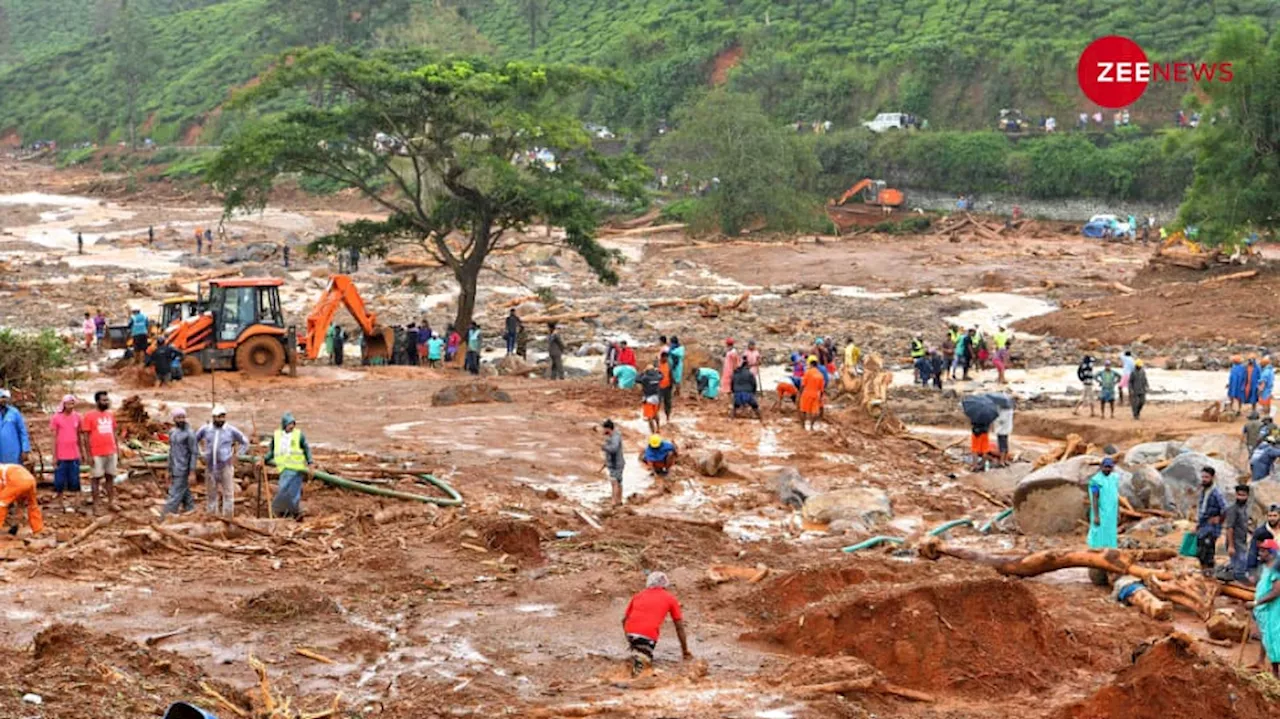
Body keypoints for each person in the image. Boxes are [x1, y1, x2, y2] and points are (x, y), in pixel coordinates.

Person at [622, 571, 691, 675]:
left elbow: (624, 620)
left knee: (640, 657)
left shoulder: (638, 596)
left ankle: (635, 662)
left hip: (630, 633)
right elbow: (679, 627)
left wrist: (630, 639)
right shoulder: (670, 599)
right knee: (641, 670)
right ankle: (635, 676)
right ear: (665, 585)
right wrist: (685, 651)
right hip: (648, 636)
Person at [195, 406, 250, 517]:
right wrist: (200, 454)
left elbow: (245, 442)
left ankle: (228, 518)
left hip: (225, 465)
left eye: (222, 417)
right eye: (217, 417)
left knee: (228, 493)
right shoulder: (206, 429)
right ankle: (212, 516)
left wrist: (238, 455)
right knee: (211, 494)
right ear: (213, 417)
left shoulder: (231, 430)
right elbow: (194, 440)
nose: (220, 420)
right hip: (210, 466)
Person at [263, 412, 314, 518]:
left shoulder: (298, 435)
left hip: (296, 469)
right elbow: (272, 451)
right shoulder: (277, 435)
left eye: (293, 424)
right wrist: (264, 460)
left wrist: (310, 463)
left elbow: (306, 449)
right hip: (284, 469)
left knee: (294, 493)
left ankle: (293, 513)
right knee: (283, 490)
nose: (291, 426)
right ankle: (282, 512)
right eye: (289, 424)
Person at [79, 391, 119, 514]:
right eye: (103, 400)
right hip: (96, 452)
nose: (106, 402)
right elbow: (85, 437)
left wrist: (118, 449)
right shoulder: (89, 416)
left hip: (111, 451)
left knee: (110, 477)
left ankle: (111, 501)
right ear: (97, 402)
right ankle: (96, 505)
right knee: (95, 478)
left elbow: (114, 433)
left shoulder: (110, 415)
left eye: (107, 400)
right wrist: (88, 454)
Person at [1250, 539, 1280, 677]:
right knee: (1265, 635)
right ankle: (1261, 662)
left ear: (1272, 554)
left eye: (1263, 551)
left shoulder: (1277, 570)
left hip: (1272, 610)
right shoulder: (1266, 567)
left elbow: (1276, 592)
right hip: (1264, 610)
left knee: (1274, 639)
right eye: (1260, 550)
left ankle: (1275, 673)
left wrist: (1257, 603)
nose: (1259, 553)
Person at [161, 408, 198, 518]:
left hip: (184, 469)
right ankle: (191, 511)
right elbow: (171, 452)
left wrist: (192, 472)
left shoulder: (190, 434)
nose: (181, 420)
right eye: (178, 418)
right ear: (174, 419)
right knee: (185, 492)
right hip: (175, 467)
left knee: (174, 494)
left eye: (182, 417)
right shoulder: (172, 432)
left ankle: (165, 517)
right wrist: (169, 469)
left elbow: (194, 453)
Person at [48, 395, 82, 505]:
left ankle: (76, 503)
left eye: (72, 403)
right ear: (63, 404)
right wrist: (54, 455)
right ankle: (60, 504)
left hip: (74, 454)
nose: (70, 406)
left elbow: (79, 436)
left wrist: (81, 452)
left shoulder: (77, 417)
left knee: (75, 479)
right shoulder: (56, 418)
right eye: (68, 403)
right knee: (59, 481)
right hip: (61, 455)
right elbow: (53, 438)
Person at [1196, 466, 1226, 576]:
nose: (1204, 479)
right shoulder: (1204, 491)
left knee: (1207, 553)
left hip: (1211, 528)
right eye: (1203, 477)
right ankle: (1205, 574)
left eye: (1206, 477)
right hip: (1203, 526)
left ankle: (1209, 576)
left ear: (1212, 477)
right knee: (1200, 552)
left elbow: (1225, 508)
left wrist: (1219, 519)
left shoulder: (1216, 492)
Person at [0, 464, 43, 535]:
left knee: (1, 503)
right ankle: (38, 529)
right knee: (32, 505)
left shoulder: (2, 472)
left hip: (18, 481)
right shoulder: (7, 467)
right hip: (31, 481)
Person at [1087, 458, 1120, 550]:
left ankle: (1110, 550)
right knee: (1099, 531)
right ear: (1101, 467)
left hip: (1111, 512)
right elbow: (1095, 499)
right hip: (1100, 511)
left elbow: (1116, 496)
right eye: (1106, 467)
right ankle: (1096, 550)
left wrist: (1118, 512)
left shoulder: (1114, 478)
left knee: (1110, 531)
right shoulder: (1096, 481)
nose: (1108, 469)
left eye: (1110, 467)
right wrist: (1096, 516)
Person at [1225, 484, 1253, 581]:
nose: (1240, 497)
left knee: (1239, 565)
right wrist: (1231, 546)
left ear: (1247, 496)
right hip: (1235, 542)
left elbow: (1243, 524)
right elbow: (1229, 528)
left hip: (1242, 540)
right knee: (1240, 565)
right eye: (1239, 495)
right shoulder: (1233, 510)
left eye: (1243, 495)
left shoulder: (1245, 508)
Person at [1248, 506, 1280, 582]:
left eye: (1275, 516)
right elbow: (1253, 552)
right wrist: (1251, 572)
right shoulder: (1260, 532)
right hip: (1264, 565)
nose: (1272, 518)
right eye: (1270, 516)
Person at [0, 389, 30, 466]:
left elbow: (22, 431)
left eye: (5, 398)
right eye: (1, 397)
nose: (3, 400)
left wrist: (25, 449)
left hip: (13, 450)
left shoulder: (14, 412)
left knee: (14, 473)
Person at [600, 420, 625, 508]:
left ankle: (614, 503)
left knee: (614, 482)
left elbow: (613, 449)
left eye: (603, 429)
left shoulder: (615, 437)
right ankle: (619, 501)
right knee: (618, 482)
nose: (602, 430)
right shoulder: (612, 436)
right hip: (615, 463)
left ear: (608, 428)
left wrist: (604, 447)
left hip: (616, 463)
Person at [799, 356, 824, 432]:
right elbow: (822, 389)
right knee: (814, 412)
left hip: (806, 393)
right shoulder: (820, 375)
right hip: (816, 394)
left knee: (803, 410)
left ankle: (803, 426)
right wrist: (821, 398)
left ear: (810, 364)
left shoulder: (808, 372)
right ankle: (811, 427)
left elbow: (803, 385)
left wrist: (800, 394)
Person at [638, 362, 664, 434]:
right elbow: (662, 376)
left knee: (649, 417)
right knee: (656, 414)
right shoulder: (657, 377)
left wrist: (642, 372)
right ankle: (658, 428)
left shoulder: (645, 378)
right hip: (656, 398)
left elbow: (637, 379)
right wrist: (658, 371)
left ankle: (653, 433)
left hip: (648, 398)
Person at [993, 394, 1014, 463]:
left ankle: (1002, 461)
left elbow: (1001, 420)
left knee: (1002, 446)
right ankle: (1005, 460)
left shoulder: (1004, 412)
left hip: (1001, 430)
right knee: (1005, 445)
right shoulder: (1010, 410)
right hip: (1007, 430)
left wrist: (995, 418)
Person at [657, 350, 674, 423]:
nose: (666, 359)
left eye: (667, 358)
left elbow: (671, 374)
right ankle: (655, 417)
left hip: (667, 386)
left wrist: (672, 384)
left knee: (668, 402)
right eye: (665, 358)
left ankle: (668, 417)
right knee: (658, 402)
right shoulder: (657, 365)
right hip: (658, 387)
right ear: (661, 357)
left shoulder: (669, 364)